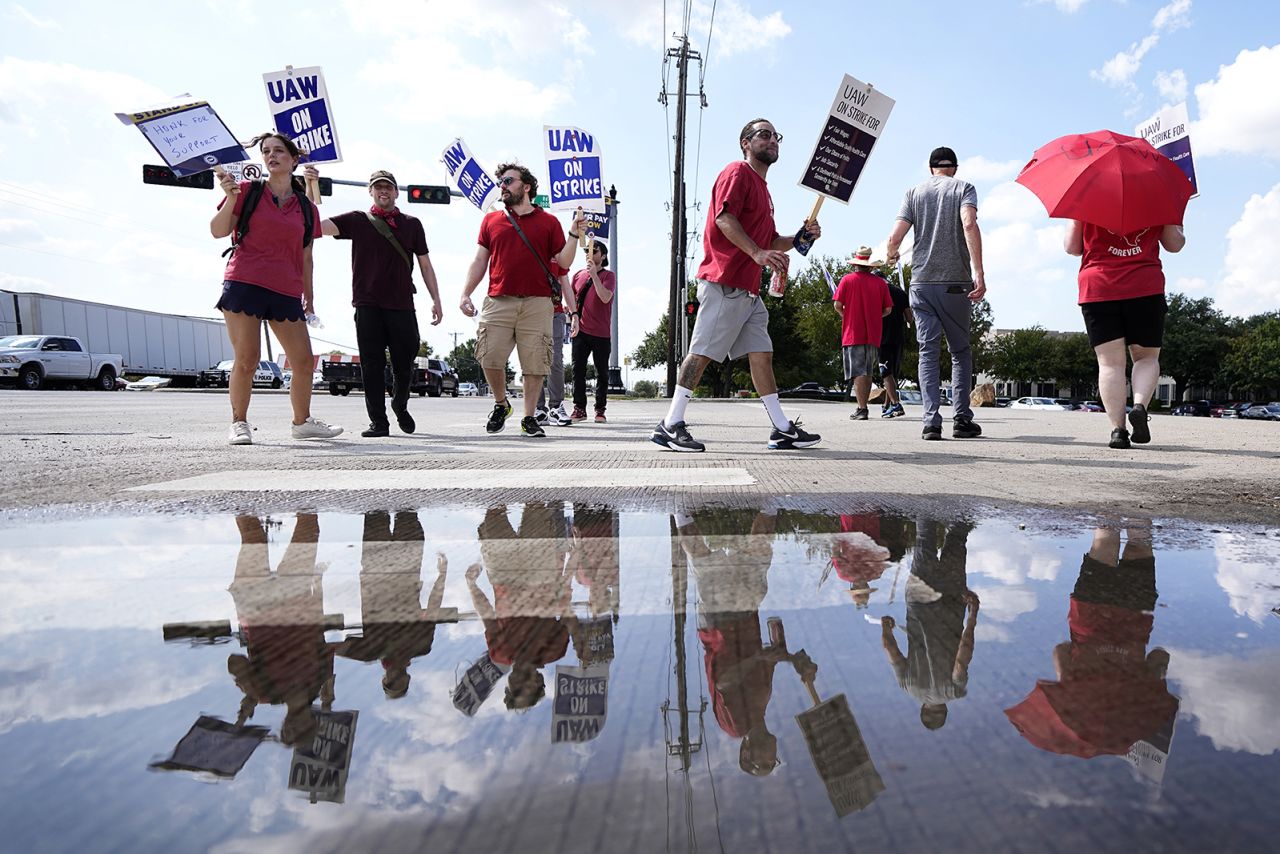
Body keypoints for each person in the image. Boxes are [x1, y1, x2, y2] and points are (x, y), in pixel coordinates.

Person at [651, 118, 823, 452]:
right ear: (745, 142)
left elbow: (771, 239)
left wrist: (801, 237)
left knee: (762, 355)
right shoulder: (737, 173)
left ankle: (782, 428)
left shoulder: (764, 190)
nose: (772, 140)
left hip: (748, 290)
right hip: (725, 280)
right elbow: (723, 218)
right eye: (763, 134)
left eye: (776, 136)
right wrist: (757, 253)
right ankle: (670, 424)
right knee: (701, 353)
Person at [210, 133, 342, 445]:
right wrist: (229, 198)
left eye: (279, 151)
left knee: (304, 361)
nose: (271, 156)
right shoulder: (246, 191)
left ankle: (302, 422)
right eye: (266, 151)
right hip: (244, 282)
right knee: (248, 359)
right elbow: (218, 231)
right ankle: (238, 423)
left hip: (286, 289)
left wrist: (309, 298)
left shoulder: (307, 208)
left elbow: (307, 255)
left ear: (294, 160)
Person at [308, 167, 443, 438]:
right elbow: (314, 227)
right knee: (371, 365)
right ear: (370, 191)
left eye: (388, 187)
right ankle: (379, 422)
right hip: (367, 303)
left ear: (396, 192)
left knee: (405, 362)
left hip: (402, 304)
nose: (383, 191)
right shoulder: (358, 220)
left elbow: (425, 264)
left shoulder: (412, 224)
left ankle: (399, 403)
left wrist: (436, 299)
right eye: (378, 187)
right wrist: (311, 187)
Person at [459, 164, 583, 438]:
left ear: (526, 187)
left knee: (535, 363)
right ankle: (501, 404)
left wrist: (574, 234)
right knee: (488, 356)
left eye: (508, 180)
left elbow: (562, 263)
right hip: (498, 299)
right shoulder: (491, 221)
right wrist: (466, 292)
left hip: (538, 303)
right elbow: (480, 260)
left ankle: (529, 417)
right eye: (500, 181)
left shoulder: (549, 222)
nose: (502, 185)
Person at [885, 146, 986, 441]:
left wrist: (892, 255)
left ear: (931, 169)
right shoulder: (964, 188)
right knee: (960, 351)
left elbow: (895, 237)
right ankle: (962, 419)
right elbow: (969, 223)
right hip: (955, 282)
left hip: (921, 284)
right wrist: (978, 271)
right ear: (954, 167)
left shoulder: (913, 193)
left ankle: (931, 422)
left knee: (927, 353)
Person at [1065, 221, 1185, 449]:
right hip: (1145, 286)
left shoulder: (1086, 195)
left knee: (1110, 364)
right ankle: (1139, 406)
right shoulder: (1162, 194)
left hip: (1098, 286)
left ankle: (1118, 431)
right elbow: (1174, 244)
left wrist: (1076, 219)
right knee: (1146, 358)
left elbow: (1072, 247)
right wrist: (1173, 219)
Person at [880, 518, 979, 731]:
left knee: (957, 537)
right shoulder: (909, 688)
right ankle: (925, 493)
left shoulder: (954, 691)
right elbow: (890, 651)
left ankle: (963, 497)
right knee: (924, 537)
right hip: (919, 600)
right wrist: (886, 628)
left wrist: (973, 616)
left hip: (952, 603)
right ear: (924, 708)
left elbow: (962, 659)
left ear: (944, 710)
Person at [833, 246, 893, 421]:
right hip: (874, 332)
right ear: (870, 265)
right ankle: (862, 407)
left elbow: (837, 305)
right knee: (867, 370)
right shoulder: (880, 283)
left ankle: (862, 408)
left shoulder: (847, 280)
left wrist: (848, 316)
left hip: (853, 332)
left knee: (858, 371)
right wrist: (874, 316)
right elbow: (888, 309)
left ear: (856, 264)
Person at [570, 239, 616, 423]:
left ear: (602, 256)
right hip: (581, 330)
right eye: (586, 251)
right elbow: (572, 301)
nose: (589, 254)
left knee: (602, 373)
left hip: (601, 333)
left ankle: (600, 409)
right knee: (577, 370)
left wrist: (594, 276)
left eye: (593, 251)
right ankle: (579, 408)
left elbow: (605, 298)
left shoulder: (608, 276)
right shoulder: (577, 275)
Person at [535, 270, 576, 427]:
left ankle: (555, 407)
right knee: (534, 361)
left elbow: (565, 283)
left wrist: (574, 314)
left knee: (555, 360)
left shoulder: (556, 252)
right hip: (531, 313)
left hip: (555, 313)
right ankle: (538, 409)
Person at [879, 274, 911, 418]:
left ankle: (895, 404)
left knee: (885, 371)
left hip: (882, 336)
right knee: (892, 372)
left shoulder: (878, 291)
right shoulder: (900, 292)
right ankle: (886, 406)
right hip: (898, 336)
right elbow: (909, 318)